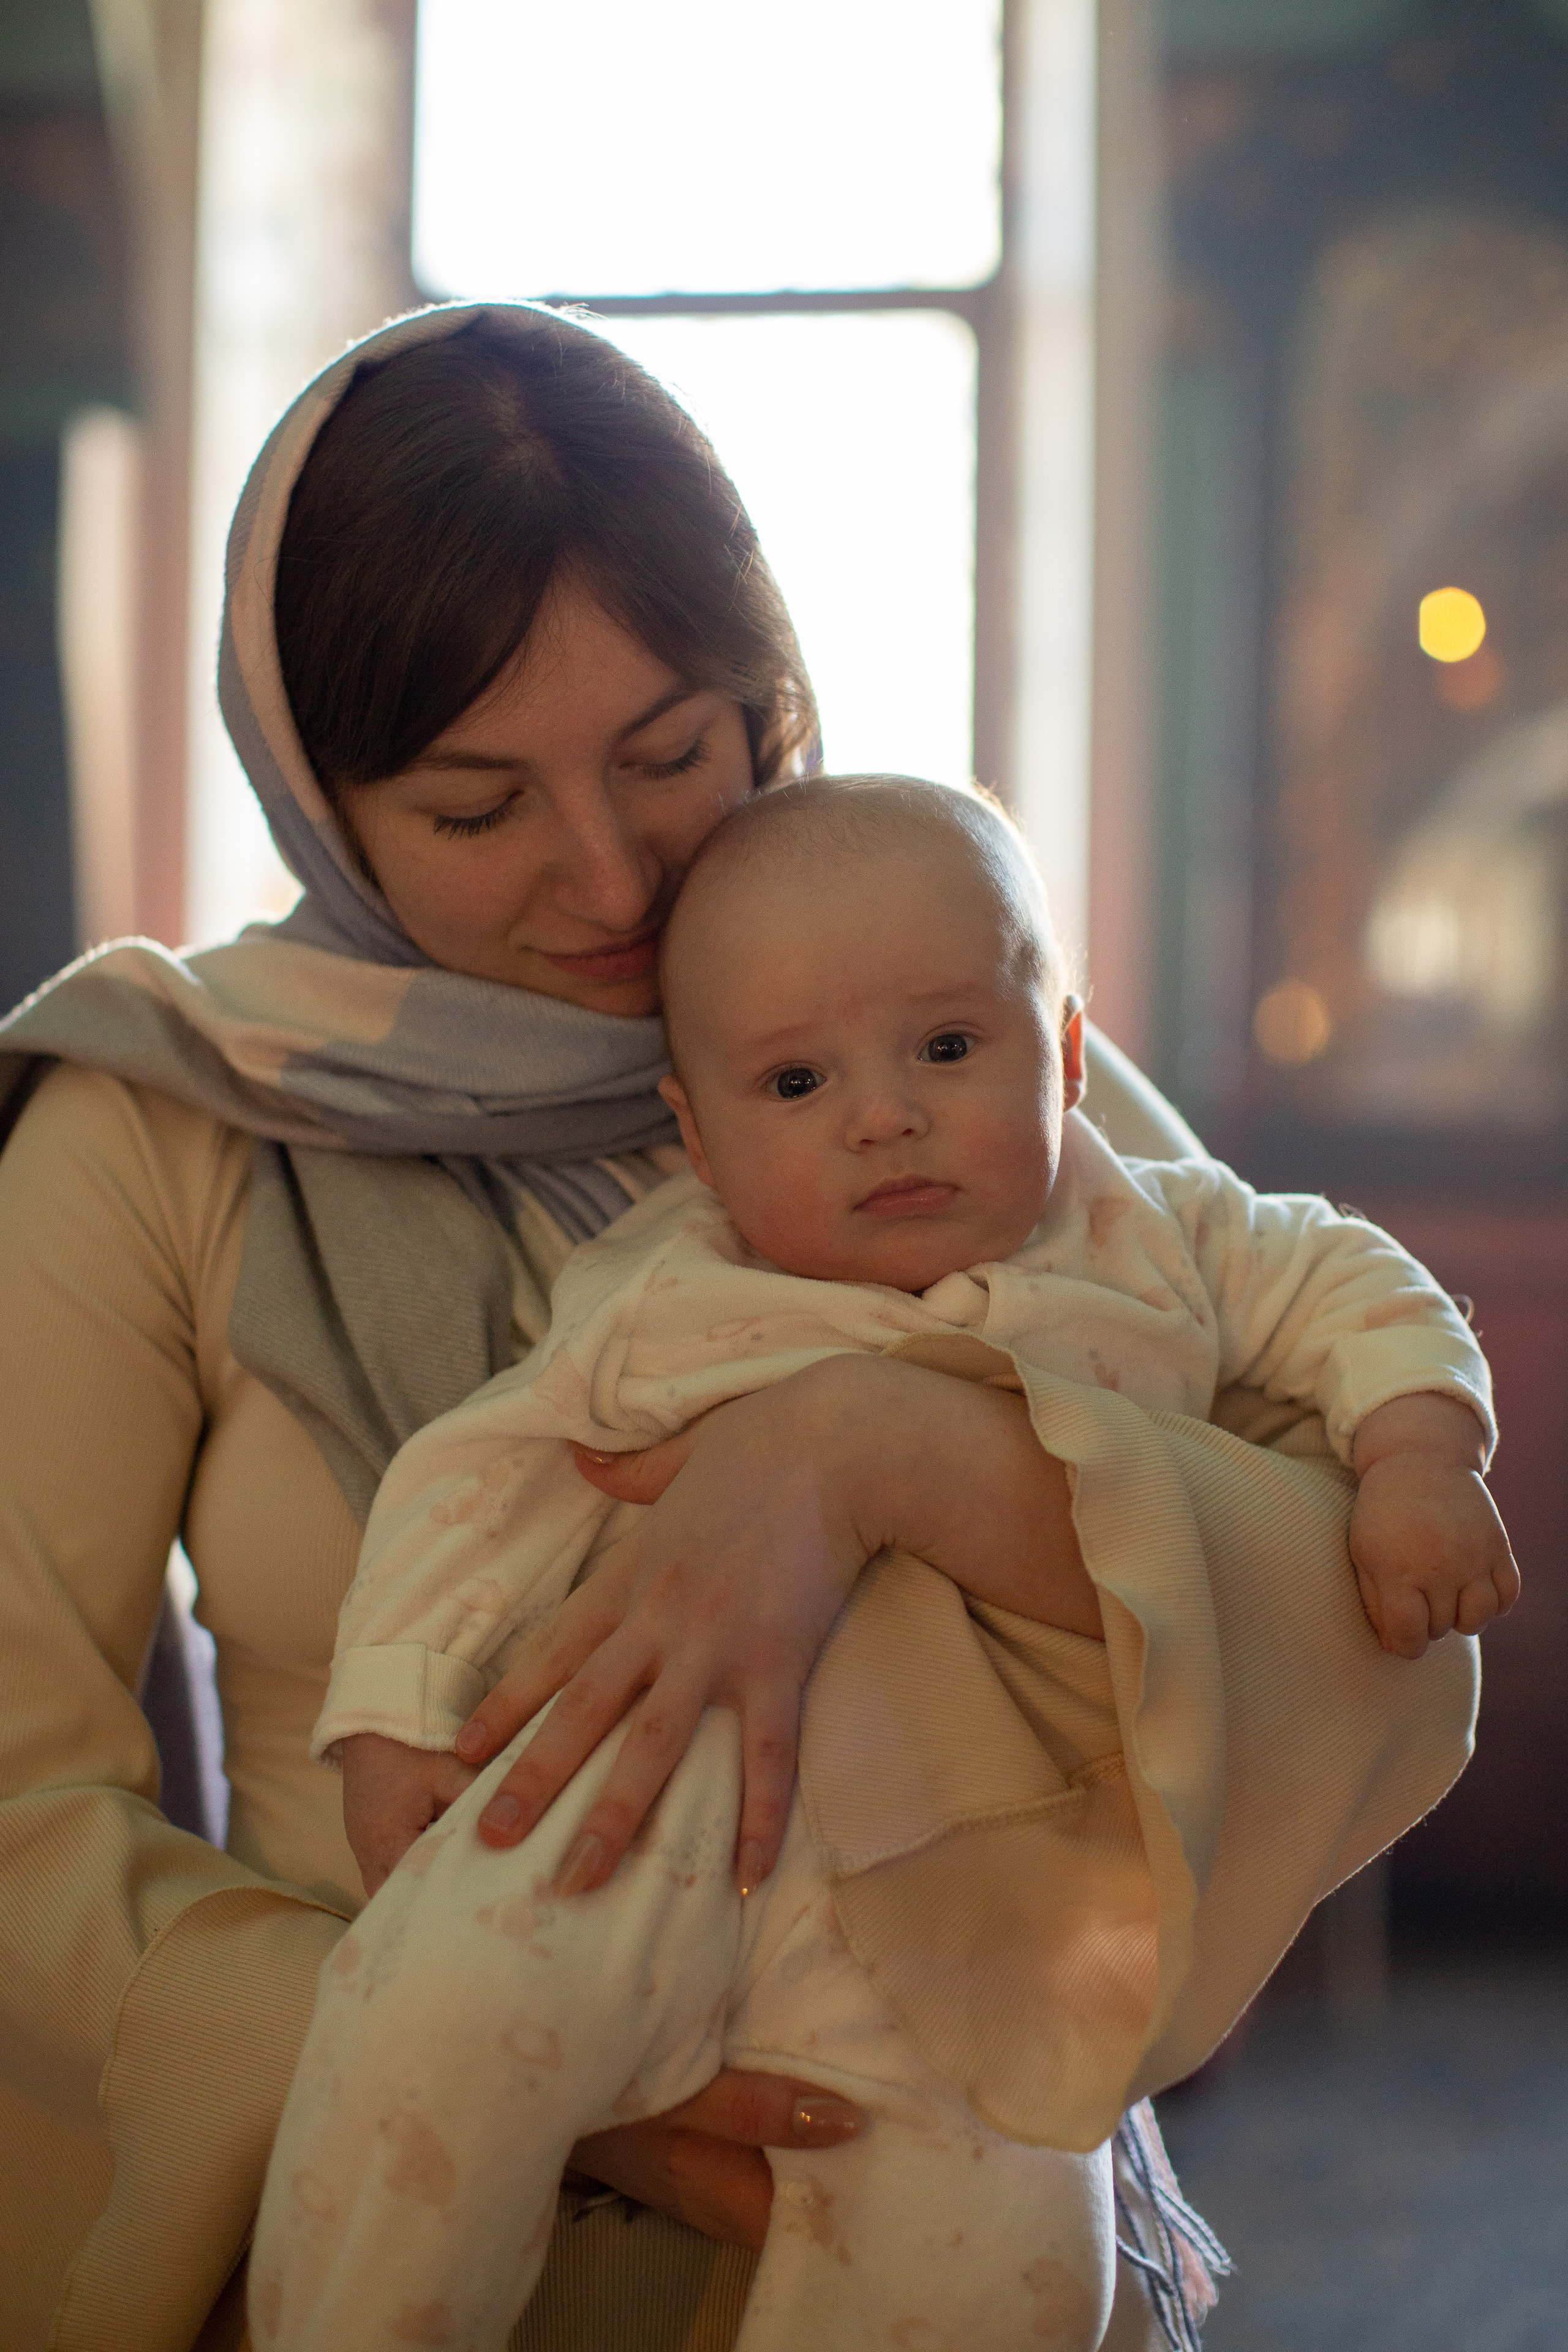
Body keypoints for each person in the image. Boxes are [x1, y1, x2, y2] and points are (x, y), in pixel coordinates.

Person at [0, 303, 1484, 2352]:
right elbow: (18, 1820)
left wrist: (869, 1453)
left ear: (765, 693)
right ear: (320, 796)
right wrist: (534, 2079)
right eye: (471, 805)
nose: (604, 874)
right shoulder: (157, 1127)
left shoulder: (942, 1047)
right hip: (412, 2210)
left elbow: (1353, 1591)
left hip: (958, 2133)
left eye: (670, 751)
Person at [249, 775, 1512, 2352]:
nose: (881, 1114)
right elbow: (485, 1477)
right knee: (427, 2038)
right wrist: (392, 1713)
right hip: (652, 1813)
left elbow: (1352, 1282)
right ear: (695, 1141)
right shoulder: (666, 1293)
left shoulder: (1152, 1231)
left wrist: (1416, 1455)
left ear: (1060, 1054)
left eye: (945, 1048)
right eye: (794, 1081)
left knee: (1010, 2269)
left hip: (969, 1893)